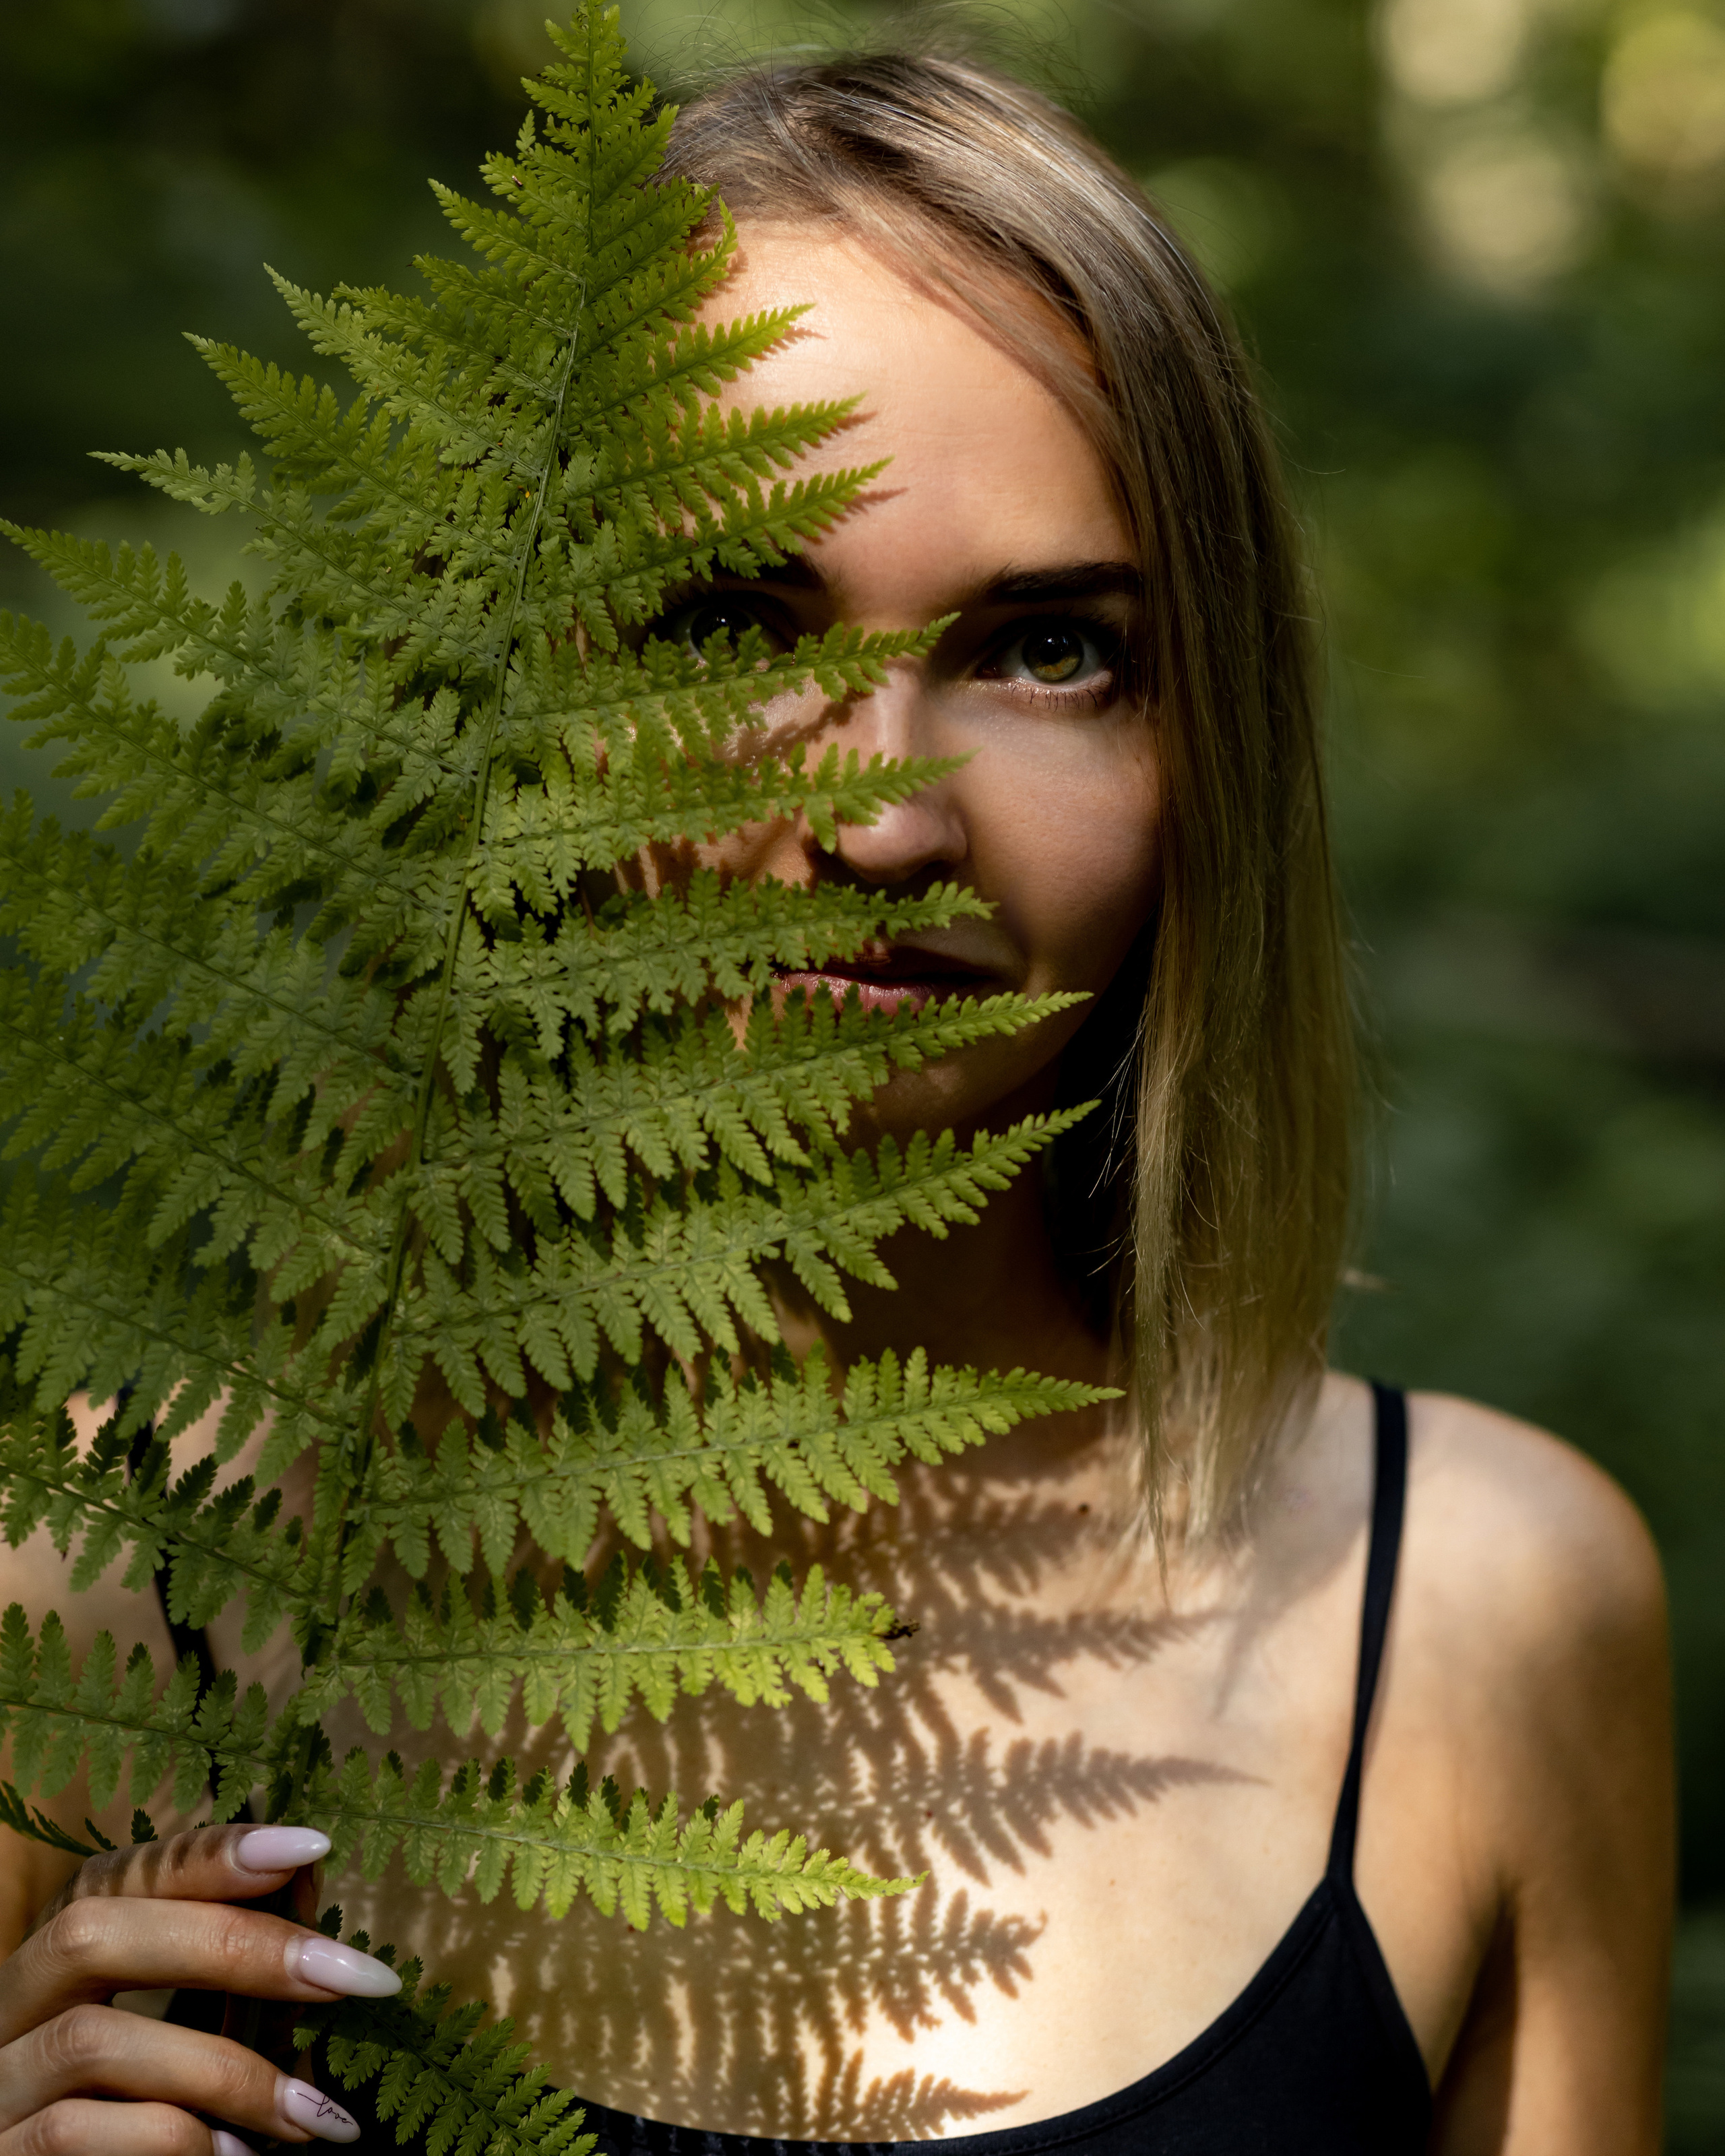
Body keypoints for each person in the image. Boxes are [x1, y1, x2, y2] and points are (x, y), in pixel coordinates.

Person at [0, 47, 1673, 2156]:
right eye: (722, 616)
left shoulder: (1479, 1606)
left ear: (1211, 758)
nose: (877, 809)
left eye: (1049, 651)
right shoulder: (104, 1569)